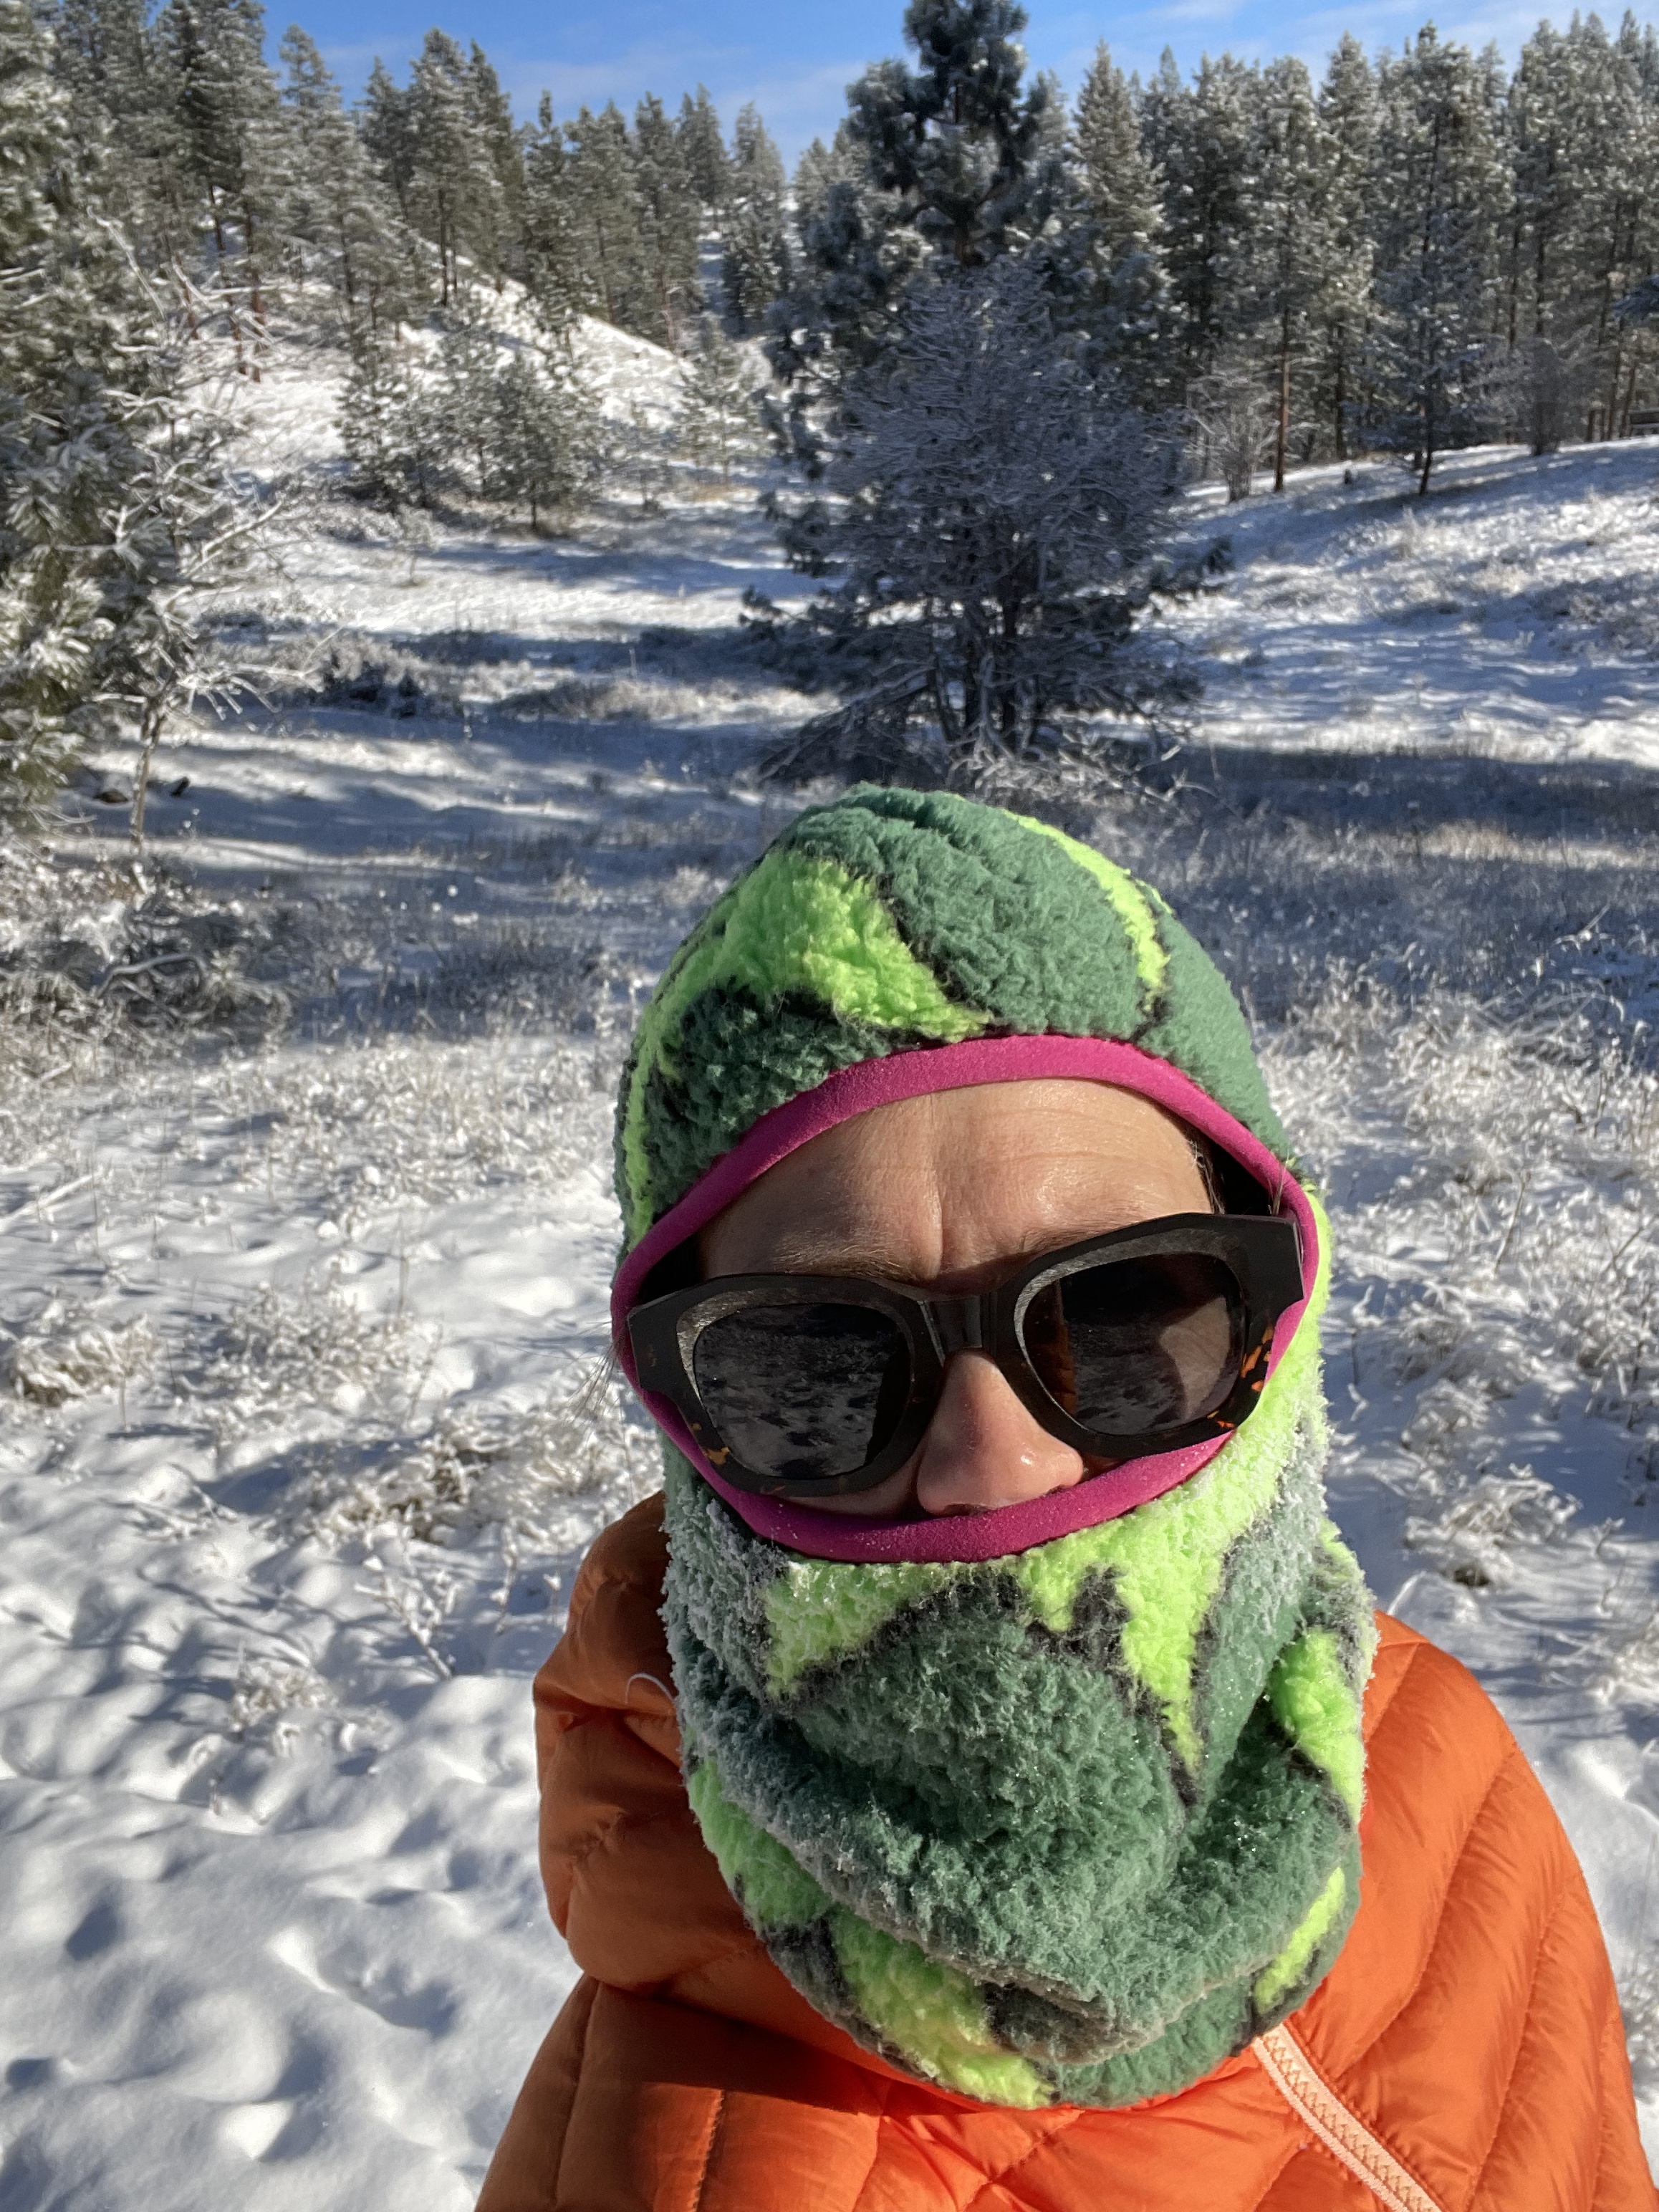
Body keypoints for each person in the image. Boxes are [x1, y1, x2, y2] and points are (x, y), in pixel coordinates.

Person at [477, 788, 1653, 2211]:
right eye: (819, 1363)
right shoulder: (676, 2173)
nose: (998, 1462)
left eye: (1123, 1311)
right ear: (690, 1421)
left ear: (1273, 1316)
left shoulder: (1424, 1738)